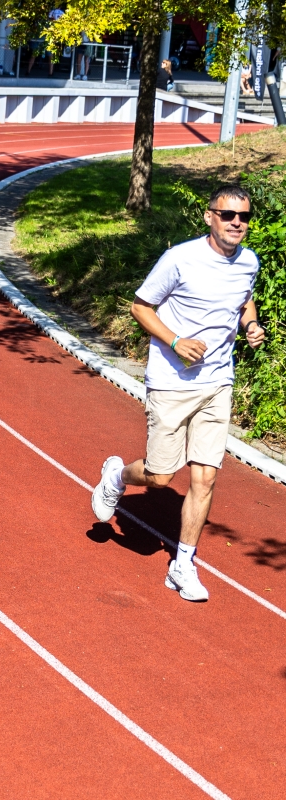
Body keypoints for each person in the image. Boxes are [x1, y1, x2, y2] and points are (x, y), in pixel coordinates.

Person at [91, 185, 265, 602]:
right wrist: (175, 341)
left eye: (243, 216)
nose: (236, 222)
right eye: (227, 215)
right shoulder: (180, 259)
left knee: (205, 477)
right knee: (160, 477)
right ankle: (115, 476)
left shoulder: (249, 262)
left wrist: (250, 326)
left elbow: (244, 301)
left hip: (218, 381)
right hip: (171, 381)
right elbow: (140, 306)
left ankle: (183, 563)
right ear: (210, 217)